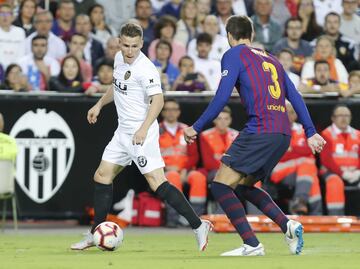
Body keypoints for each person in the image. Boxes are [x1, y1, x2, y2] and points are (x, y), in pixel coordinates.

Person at [184, 15, 326, 256]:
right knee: (242, 186)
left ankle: (251, 244)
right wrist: (310, 131)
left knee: (220, 186)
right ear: (251, 34)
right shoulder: (272, 59)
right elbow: (296, 97)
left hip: (260, 129)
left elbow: (222, 97)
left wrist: (195, 127)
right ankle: (287, 225)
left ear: (229, 35)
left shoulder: (233, 54)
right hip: (282, 133)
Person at [71, 22, 212, 251]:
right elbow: (116, 87)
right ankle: (96, 233)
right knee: (102, 175)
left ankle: (199, 225)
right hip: (123, 132)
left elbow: (159, 101)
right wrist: (98, 105)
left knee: (158, 183)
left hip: (141, 133)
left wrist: (144, 129)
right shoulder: (118, 58)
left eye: (134, 46)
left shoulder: (146, 69)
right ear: (119, 42)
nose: (129, 51)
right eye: (125, 45)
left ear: (142, 44)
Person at [266, 102, 322, 215]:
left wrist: (291, 149)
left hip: (300, 170)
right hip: (278, 169)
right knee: (307, 164)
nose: (288, 115)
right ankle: (312, 210)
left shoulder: (304, 129)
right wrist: (299, 151)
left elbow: (311, 150)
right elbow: (276, 155)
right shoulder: (273, 128)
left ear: (296, 115)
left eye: (291, 112)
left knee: (311, 174)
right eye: (285, 112)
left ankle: (301, 206)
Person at [159, 99, 207, 226]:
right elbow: (151, 154)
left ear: (178, 112)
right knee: (173, 177)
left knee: (199, 178)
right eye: (167, 109)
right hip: (165, 172)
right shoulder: (155, 130)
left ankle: (194, 219)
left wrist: (185, 169)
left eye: (174, 109)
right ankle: (173, 219)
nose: (171, 112)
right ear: (163, 112)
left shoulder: (187, 129)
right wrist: (166, 168)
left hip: (187, 170)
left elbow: (194, 155)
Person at [319, 105, 360, 215]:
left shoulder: (357, 134)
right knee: (334, 182)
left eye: (347, 115)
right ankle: (336, 218)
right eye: (340, 115)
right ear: (333, 118)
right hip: (331, 172)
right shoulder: (326, 134)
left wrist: (358, 172)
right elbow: (326, 160)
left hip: (355, 172)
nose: (344, 118)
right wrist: (343, 173)